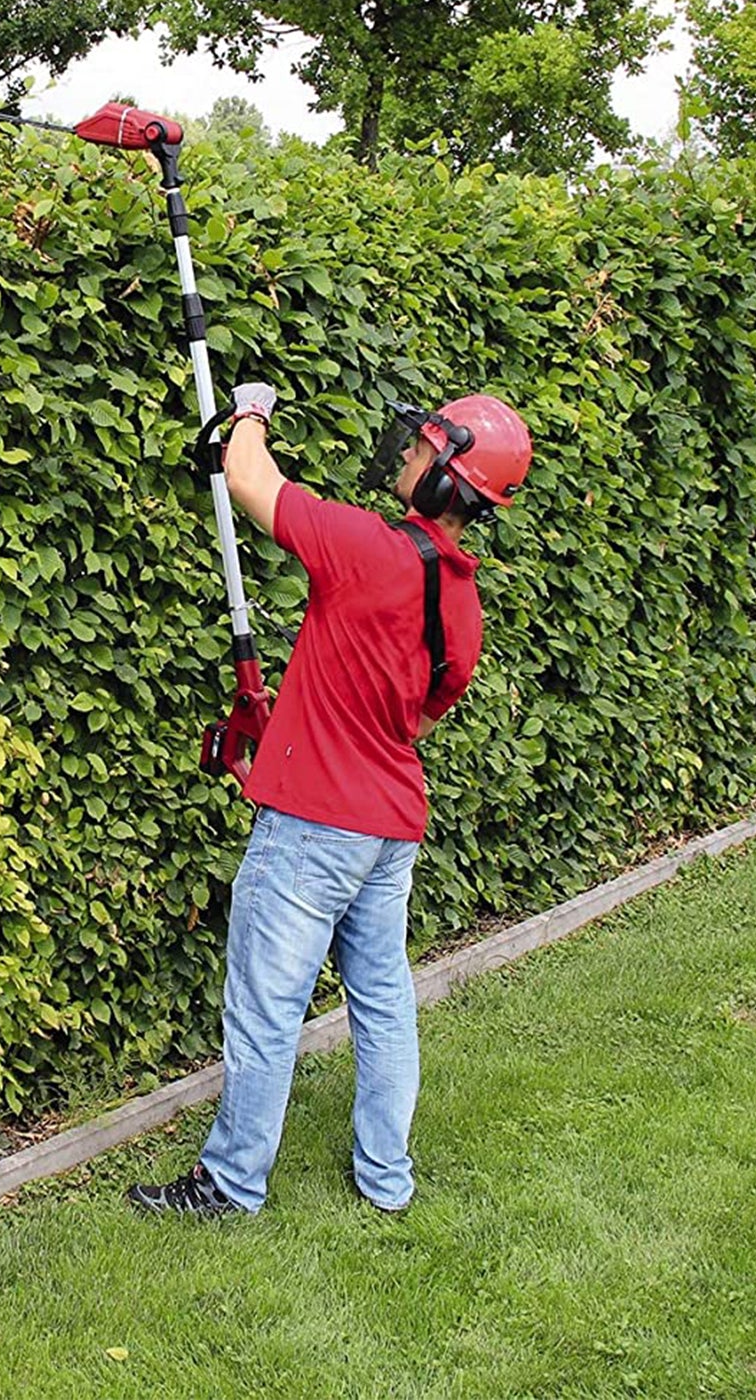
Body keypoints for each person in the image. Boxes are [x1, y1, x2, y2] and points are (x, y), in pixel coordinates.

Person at [127, 383, 533, 1217]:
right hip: (388, 831)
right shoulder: (460, 600)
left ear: (450, 481)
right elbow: (414, 715)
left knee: (265, 1006)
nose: (409, 454)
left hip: (315, 830)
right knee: (382, 999)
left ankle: (231, 1184)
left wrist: (250, 410)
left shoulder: (364, 547)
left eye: (425, 450)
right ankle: (387, 1177)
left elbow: (249, 481)